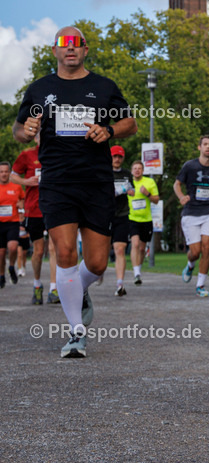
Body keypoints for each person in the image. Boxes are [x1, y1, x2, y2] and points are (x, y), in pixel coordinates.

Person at [13, 27, 137, 357]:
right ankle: (75, 332)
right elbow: (18, 129)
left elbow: (130, 123)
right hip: (56, 182)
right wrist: (25, 130)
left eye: (76, 44)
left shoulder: (103, 87)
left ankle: (77, 289)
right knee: (65, 252)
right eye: (64, 44)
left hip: (96, 182)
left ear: (85, 50)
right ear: (54, 50)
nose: (70, 49)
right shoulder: (40, 89)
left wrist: (108, 129)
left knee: (96, 265)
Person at [11, 133, 60, 304]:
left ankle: (54, 289)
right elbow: (12, 175)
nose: (42, 137)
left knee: (55, 249)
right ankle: (37, 285)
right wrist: (27, 182)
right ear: (35, 138)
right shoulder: (27, 155)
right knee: (38, 251)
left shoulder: (58, 153)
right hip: (34, 209)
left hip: (55, 207)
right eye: (39, 135)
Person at [174, 135, 209, 297]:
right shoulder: (189, 166)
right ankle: (190, 265)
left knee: (207, 246)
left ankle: (200, 286)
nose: (208, 147)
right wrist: (181, 196)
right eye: (205, 144)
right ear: (199, 147)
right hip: (191, 212)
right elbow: (177, 184)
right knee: (195, 252)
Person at [126, 159, 159, 287]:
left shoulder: (149, 182)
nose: (137, 170)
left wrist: (148, 194)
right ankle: (136, 273)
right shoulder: (128, 183)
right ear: (131, 171)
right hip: (132, 218)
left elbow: (156, 200)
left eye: (139, 168)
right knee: (134, 244)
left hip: (146, 219)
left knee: (141, 247)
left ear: (143, 170)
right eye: (135, 168)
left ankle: (138, 268)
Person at [111, 146, 134, 296]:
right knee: (99, 252)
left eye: (119, 157)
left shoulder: (127, 174)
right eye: (114, 157)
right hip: (105, 215)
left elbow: (131, 189)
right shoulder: (104, 172)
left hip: (122, 214)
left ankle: (120, 284)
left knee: (120, 249)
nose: (117, 159)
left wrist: (131, 191)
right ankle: (97, 273)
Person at [0, 162, 24, 288]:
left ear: (9, 173)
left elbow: (22, 199)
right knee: (1, 253)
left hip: (13, 222)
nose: (4, 174)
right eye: (1, 172)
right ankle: (2, 275)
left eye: (6, 171)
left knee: (13, 248)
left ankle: (11, 267)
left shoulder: (16, 187)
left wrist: (21, 204)